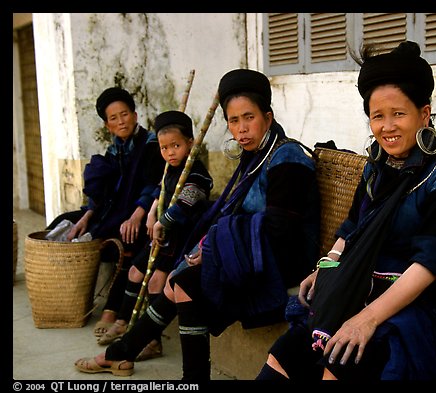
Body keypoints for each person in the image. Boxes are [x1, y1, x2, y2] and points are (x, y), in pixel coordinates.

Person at [255, 41, 436, 381]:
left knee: (341, 363)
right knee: (284, 355)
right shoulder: (378, 168)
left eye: (399, 114)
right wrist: (327, 269)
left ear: (423, 113)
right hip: (363, 285)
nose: (387, 127)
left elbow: (430, 265)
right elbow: (354, 224)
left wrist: (366, 319)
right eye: (377, 116)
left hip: (423, 300)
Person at [74, 68, 321, 379]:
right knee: (182, 281)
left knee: (185, 282)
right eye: (233, 121)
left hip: (284, 260)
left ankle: (131, 355)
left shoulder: (287, 159)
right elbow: (234, 215)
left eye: (249, 117)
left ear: (267, 118)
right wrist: (211, 243)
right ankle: (124, 354)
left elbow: (280, 232)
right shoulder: (257, 154)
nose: (241, 129)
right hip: (254, 250)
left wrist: (215, 247)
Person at [46, 87, 165, 339]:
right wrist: (88, 215)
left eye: (124, 114)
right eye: (114, 118)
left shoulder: (152, 143)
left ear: (134, 115)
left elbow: (154, 182)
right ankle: (69, 296)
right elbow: (103, 192)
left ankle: (113, 309)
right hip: (114, 208)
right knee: (65, 221)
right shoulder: (115, 149)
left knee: (128, 237)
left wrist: (137, 215)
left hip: (141, 212)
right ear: (107, 125)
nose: (121, 121)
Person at [95, 110, 214, 363]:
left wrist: (163, 221)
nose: (170, 152)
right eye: (164, 148)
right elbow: (161, 193)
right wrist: (151, 213)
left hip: (180, 239)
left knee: (156, 284)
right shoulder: (169, 169)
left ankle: (152, 341)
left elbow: (184, 204)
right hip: (161, 234)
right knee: (134, 273)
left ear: (191, 143)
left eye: (176, 146)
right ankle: (123, 321)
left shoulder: (197, 173)